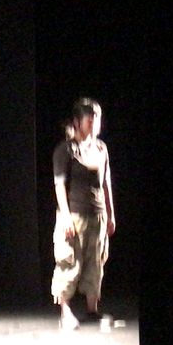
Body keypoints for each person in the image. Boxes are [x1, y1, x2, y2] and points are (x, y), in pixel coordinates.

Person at [51, 97, 117, 330]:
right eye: (90, 119)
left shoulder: (101, 148)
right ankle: (65, 312)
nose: (94, 123)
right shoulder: (65, 150)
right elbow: (59, 185)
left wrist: (110, 213)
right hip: (75, 215)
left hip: (97, 215)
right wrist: (66, 217)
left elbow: (106, 183)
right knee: (70, 263)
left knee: (95, 264)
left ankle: (92, 309)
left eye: (96, 119)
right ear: (78, 122)